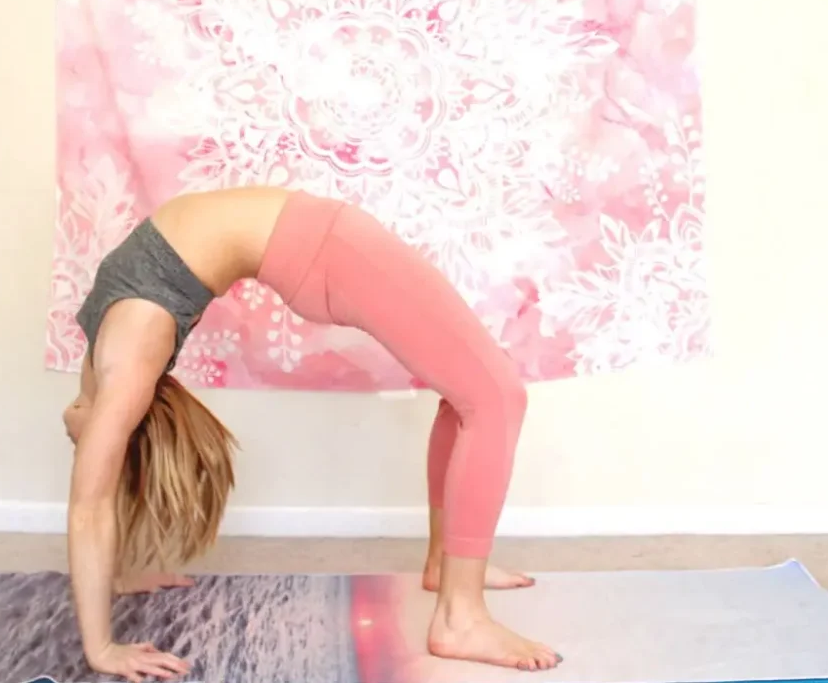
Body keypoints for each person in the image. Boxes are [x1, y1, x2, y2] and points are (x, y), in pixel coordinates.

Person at [61, 186, 560, 682]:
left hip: (322, 240)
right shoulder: (125, 364)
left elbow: (102, 493)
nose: (82, 451)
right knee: (495, 397)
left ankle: (444, 566)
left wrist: (123, 573)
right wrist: (102, 647)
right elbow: (90, 507)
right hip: (326, 248)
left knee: (468, 392)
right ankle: (460, 618)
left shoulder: (106, 362)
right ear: (129, 422)